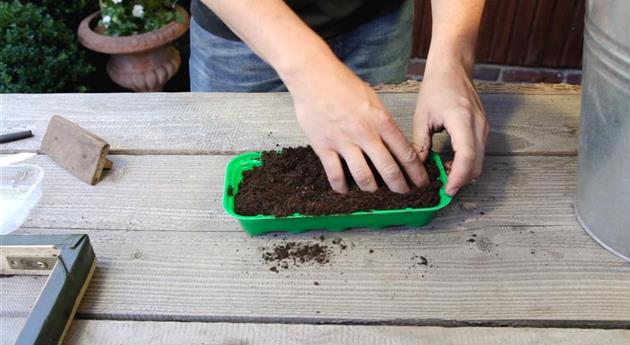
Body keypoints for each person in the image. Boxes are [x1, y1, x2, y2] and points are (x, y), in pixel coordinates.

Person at [190, 0, 489, 196]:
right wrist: (309, 68)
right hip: (243, 28)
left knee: (375, 158)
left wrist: (452, 56)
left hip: (378, 21)